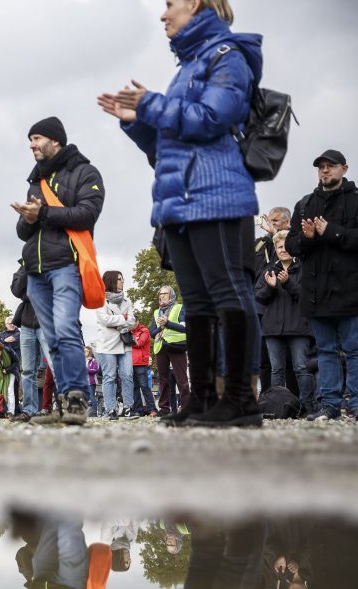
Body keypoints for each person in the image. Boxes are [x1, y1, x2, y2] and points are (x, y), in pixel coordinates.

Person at [99, 0, 263, 427]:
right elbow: (165, 148)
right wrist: (136, 120)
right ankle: (204, 399)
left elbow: (213, 117)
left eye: (170, 4)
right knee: (197, 300)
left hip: (216, 191)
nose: (162, 14)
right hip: (179, 198)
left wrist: (151, 104)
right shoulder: (188, 67)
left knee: (228, 291)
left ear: (194, 4)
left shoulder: (228, 55)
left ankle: (241, 399)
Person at [13, 117, 104, 426]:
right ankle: (64, 405)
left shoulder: (85, 172)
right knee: (51, 340)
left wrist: (44, 213)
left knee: (66, 331)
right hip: (36, 272)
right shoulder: (35, 181)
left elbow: (87, 214)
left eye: (36, 138)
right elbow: (24, 233)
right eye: (30, 139)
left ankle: (78, 399)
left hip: (66, 265)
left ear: (55, 140)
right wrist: (27, 219)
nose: (31, 145)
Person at [285, 149, 358, 421]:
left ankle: (356, 404)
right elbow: (291, 244)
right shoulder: (304, 204)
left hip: (351, 291)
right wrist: (309, 239)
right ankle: (329, 406)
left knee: (354, 350)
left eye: (331, 166)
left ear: (345, 168)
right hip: (316, 294)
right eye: (321, 167)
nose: (325, 171)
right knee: (326, 351)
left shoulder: (355, 201)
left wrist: (331, 232)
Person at [254, 230, 316, 414]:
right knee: (276, 370)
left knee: (301, 368)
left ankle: (307, 407)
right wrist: (270, 288)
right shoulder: (268, 270)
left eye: (286, 245)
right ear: (276, 249)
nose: (283, 249)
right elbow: (258, 296)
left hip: (298, 328)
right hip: (272, 329)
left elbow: (309, 297)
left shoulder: (304, 268)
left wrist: (288, 283)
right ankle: (277, 407)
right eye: (279, 246)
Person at [11, 265, 50, 422]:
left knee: (55, 366)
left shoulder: (52, 261)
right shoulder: (25, 265)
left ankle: (64, 407)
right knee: (27, 371)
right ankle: (29, 410)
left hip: (47, 321)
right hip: (27, 324)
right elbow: (16, 289)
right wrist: (27, 267)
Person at [95, 271, 136, 420]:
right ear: (111, 281)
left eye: (122, 279)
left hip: (124, 344)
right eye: (119, 279)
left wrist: (119, 321)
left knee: (127, 375)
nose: (122, 281)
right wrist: (123, 319)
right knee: (109, 377)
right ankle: (111, 409)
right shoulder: (100, 300)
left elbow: (132, 321)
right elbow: (105, 320)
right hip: (107, 345)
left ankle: (128, 408)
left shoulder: (127, 301)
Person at [150, 286, 189, 418]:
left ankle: (186, 407)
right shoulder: (156, 312)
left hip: (176, 346)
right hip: (161, 347)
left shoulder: (180, 308)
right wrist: (160, 328)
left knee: (181, 378)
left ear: (171, 295)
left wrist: (168, 323)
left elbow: (185, 328)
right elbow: (152, 333)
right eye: (160, 294)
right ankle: (164, 409)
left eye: (165, 293)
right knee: (163, 380)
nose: (162, 296)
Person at [0, 317, 22, 414]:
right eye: (9, 323)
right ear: (5, 324)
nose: (12, 325)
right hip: (2, 366)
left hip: (14, 365)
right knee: (4, 389)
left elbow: (15, 342)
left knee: (14, 389)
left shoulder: (18, 334)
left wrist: (2, 341)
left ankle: (15, 411)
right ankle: (3, 410)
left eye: (13, 323)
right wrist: (5, 341)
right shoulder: (2, 334)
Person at [130, 322, 159, 417]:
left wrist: (127, 340)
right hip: (130, 363)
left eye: (132, 321)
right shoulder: (129, 331)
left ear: (137, 321)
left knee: (144, 386)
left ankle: (152, 409)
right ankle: (138, 410)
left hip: (141, 363)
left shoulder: (144, 331)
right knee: (134, 388)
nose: (130, 323)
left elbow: (139, 343)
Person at [255, 207, 291, 276]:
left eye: (275, 220)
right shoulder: (260, 242)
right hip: (258, 284)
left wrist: (275, 234)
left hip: (281, 284)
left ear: (287, 222)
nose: (271, 224)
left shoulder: (295, 241)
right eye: (269, 221)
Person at [84, 347, 100, 417]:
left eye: (86, 351)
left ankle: (94, 412)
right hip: (84, 382)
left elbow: (96, 370)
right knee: (85, 397)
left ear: (90, 352)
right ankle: (87, 412)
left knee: (92, 396)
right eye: (84, 351)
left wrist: (87, 369)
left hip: (91, 381)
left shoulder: (93, 360)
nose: (85, 352)